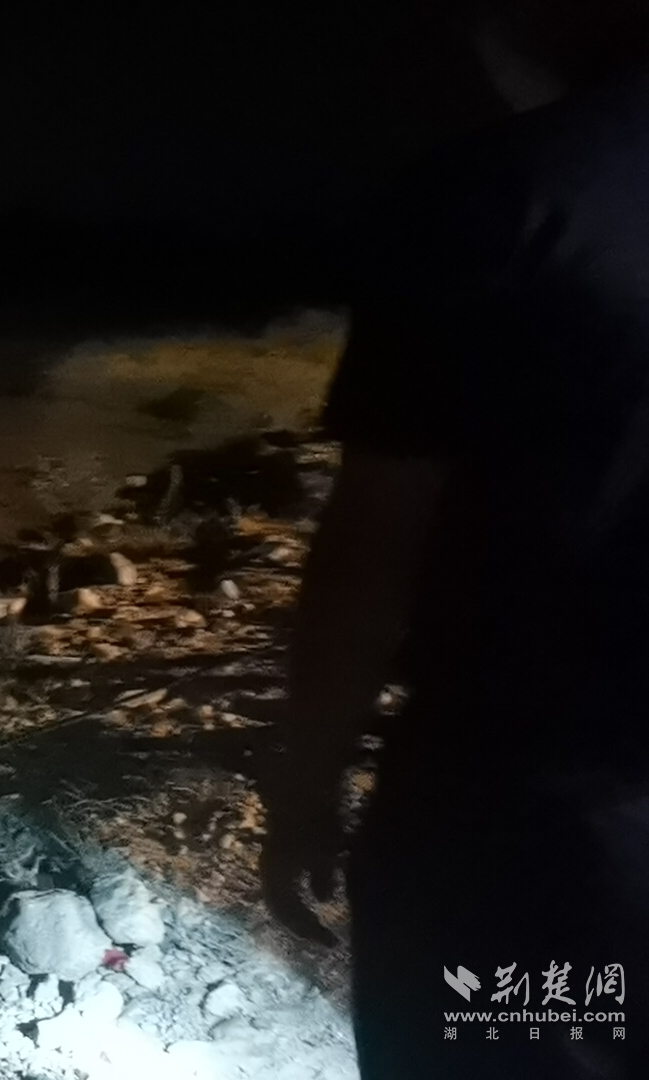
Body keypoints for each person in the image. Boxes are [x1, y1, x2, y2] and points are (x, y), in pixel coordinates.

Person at [259, 4, 649, 1077]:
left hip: (537, 829)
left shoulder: (501, 191)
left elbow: (375, 540)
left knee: (507, 1045)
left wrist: (307, 784)